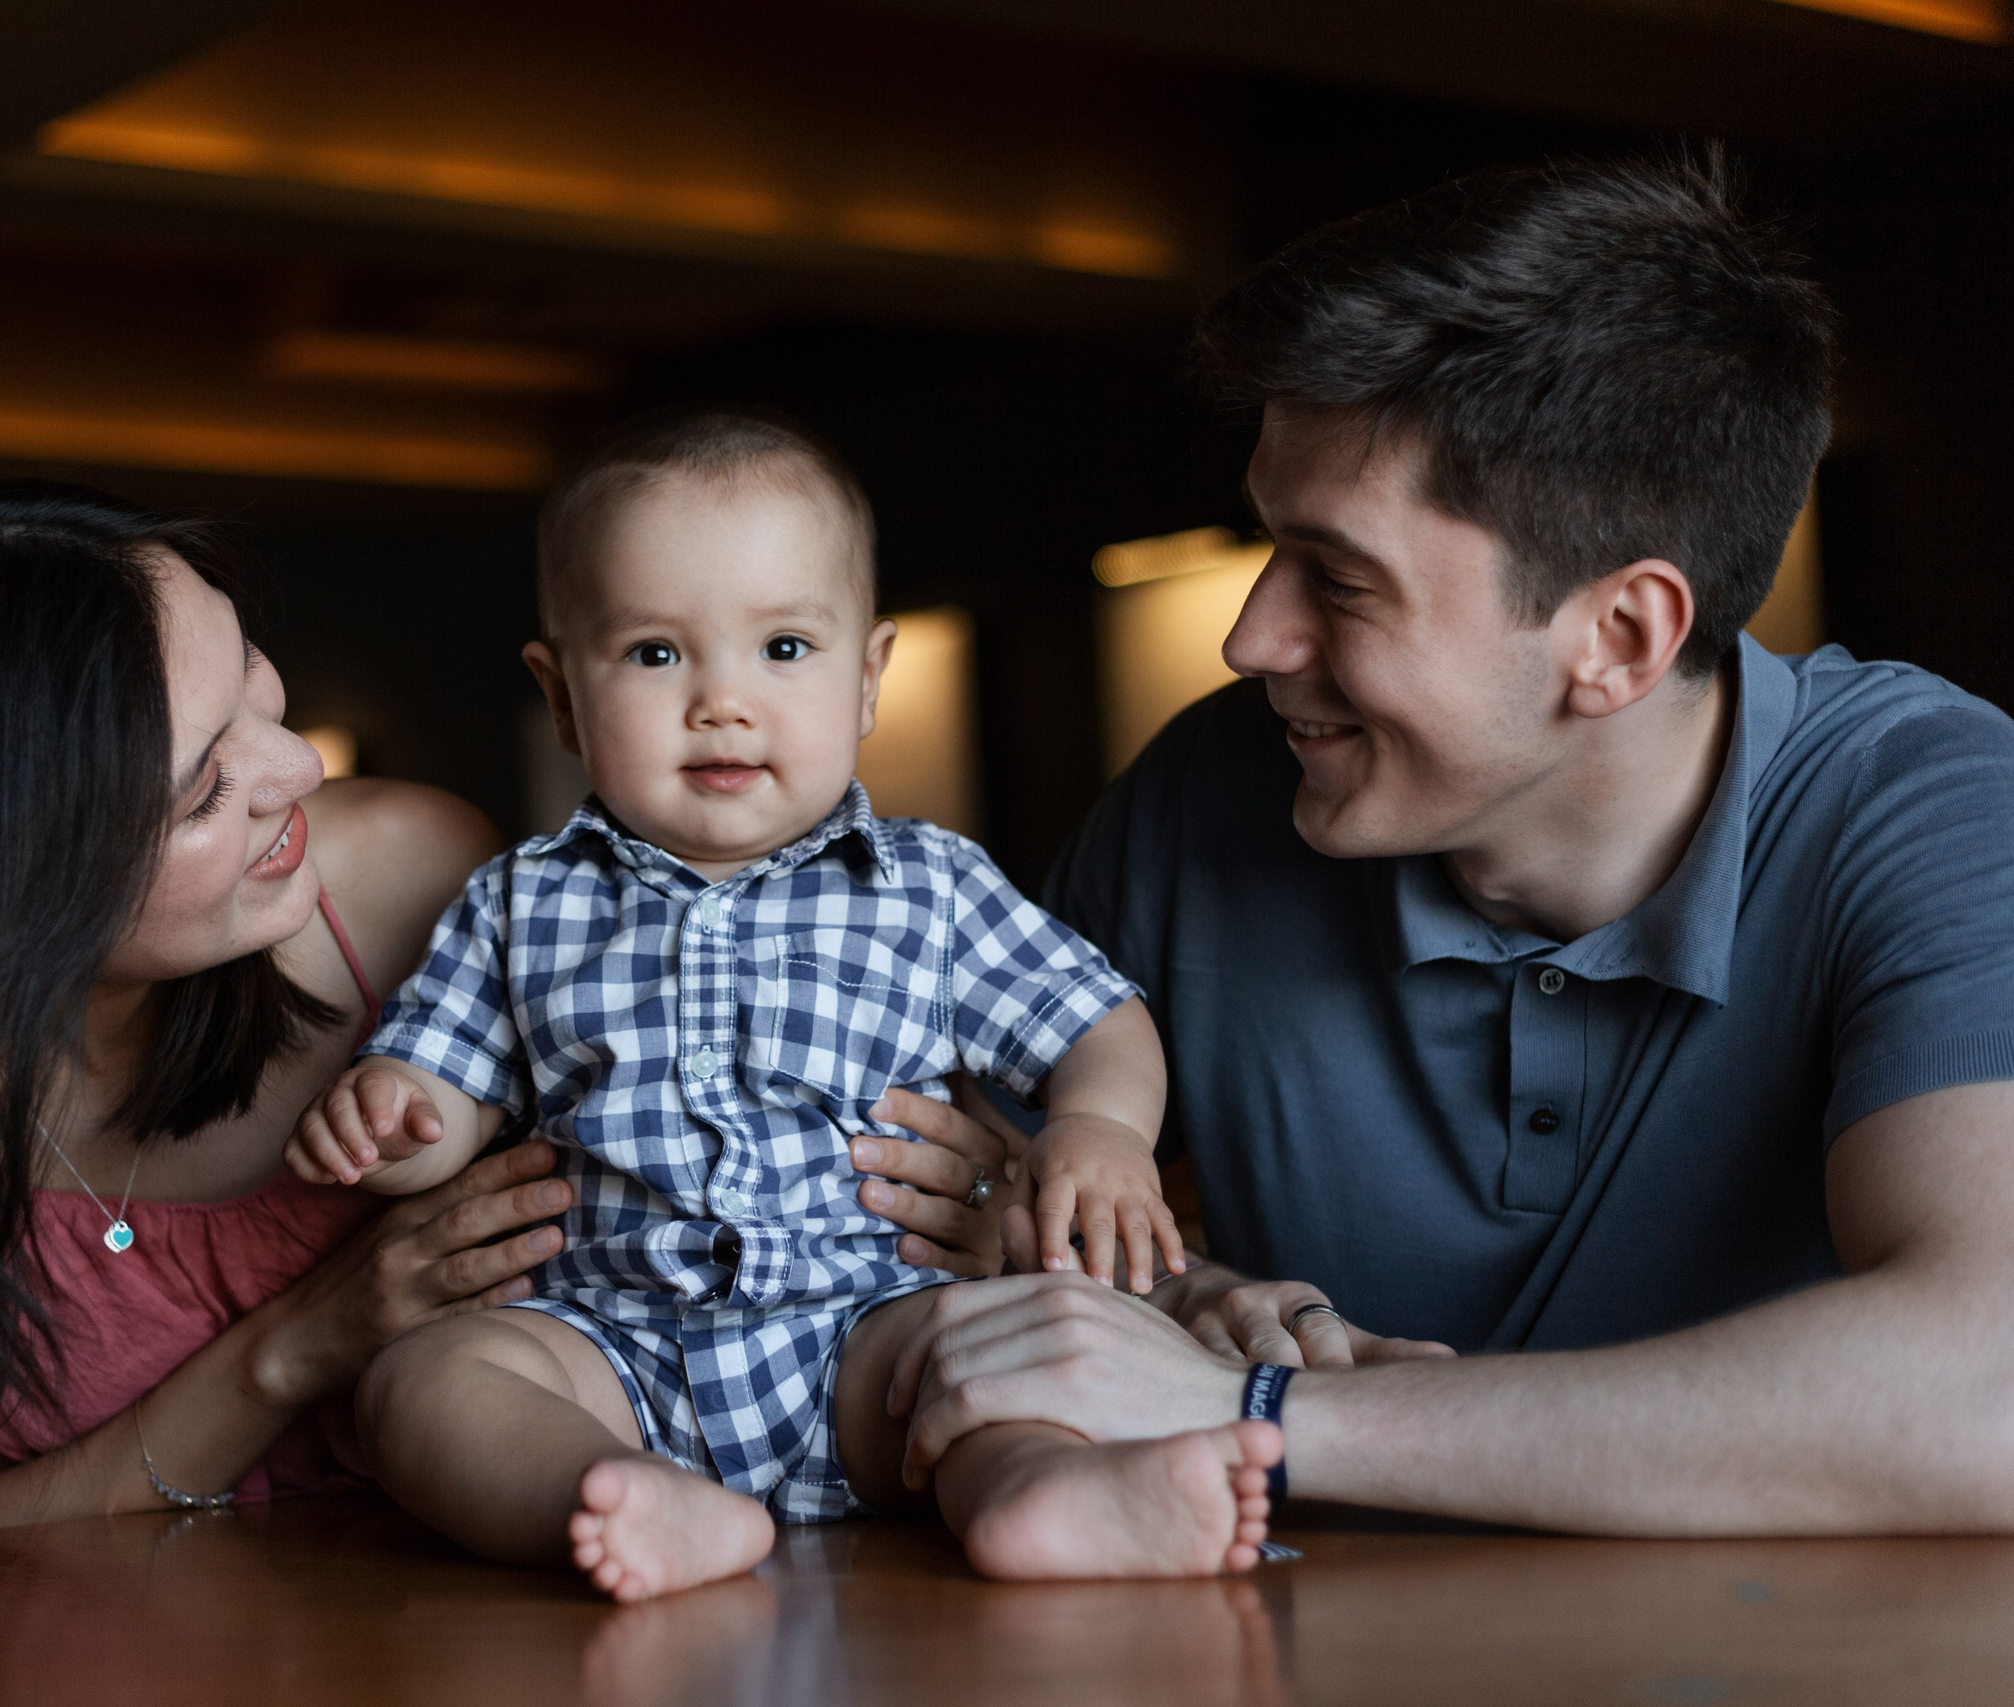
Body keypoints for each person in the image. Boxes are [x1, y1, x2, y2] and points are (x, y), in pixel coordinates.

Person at [884, 153, 2014, 1537]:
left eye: (1340, 579)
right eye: (1267, 549)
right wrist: (1202, 1299)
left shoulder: (1935, 805)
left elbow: (1986, 1387)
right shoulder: (1206, 796)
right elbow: (932, 1198)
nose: (1249, 639)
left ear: (1617, 638)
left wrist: (1254, 1414)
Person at [286, 410, 1280, 1603]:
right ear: (560, 697)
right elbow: (442, 1092)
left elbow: (1094, 1021)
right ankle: (603, 1496)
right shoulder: (516, 902)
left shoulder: (931, 884)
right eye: (656, 654)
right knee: (425, 1381)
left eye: (785, 649)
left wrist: (1102, 1131)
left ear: (868, 677)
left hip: (876, 1328)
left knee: (1011, 1359)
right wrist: (392, 1122)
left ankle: (1038, 1497)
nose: (721, 702)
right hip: (611, 1341)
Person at [0, 474, 598, 1602]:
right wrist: (291, 1349)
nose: (298, 768)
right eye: (204, 790)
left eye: (254, 675)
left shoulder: (408, 891)